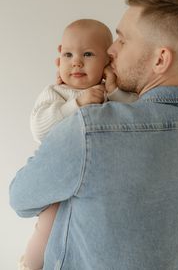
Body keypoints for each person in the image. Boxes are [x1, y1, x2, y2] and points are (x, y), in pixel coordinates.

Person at [10, 0, 178, 270]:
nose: (110, 51)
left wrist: (70, 104)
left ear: (160, 59)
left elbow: (21, 198)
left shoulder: (91, 128)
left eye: (122, 40)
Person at [18, 19, 138, 270]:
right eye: (68, 54)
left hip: (100, 184)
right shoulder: (57, 94)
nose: (76, 62)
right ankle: (30, 264)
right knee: (47, 228)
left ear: (108, 61)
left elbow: (134, 121)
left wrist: (115, 92)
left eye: (88, 54)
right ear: (59, 57)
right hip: (59, 179)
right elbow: (40, 128)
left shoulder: (111, 93)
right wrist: (77, 105)